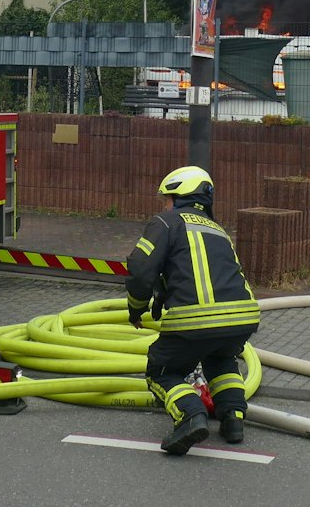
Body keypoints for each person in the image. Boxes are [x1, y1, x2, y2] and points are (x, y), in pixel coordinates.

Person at [123, 165, 260, 454]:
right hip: (243, 317)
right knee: (221, 361)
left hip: (194, 320)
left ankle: (190, 415)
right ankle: (233, 418)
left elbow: (140, 269)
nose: (164, 205)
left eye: (166, 199)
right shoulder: (219, 230)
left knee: (162, 370)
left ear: (179, 196)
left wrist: (136, 309)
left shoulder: (166, 222)